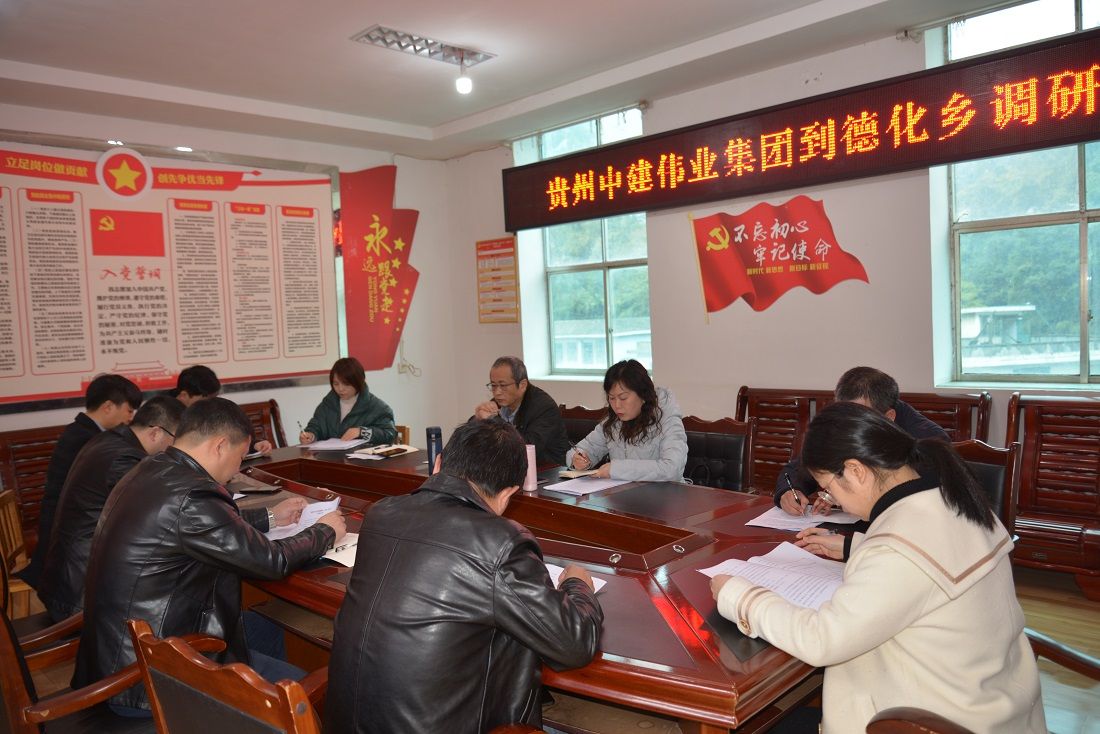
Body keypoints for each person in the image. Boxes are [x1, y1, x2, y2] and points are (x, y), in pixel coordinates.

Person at [712, 402, 1045, 733]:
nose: (833, 500)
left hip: (927, 723)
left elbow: (821, 640)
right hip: (996, 708)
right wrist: (851, 546)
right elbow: (930, 566)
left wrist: (738, 595)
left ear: (856, 471)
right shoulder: (955, 500)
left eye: (828, 488)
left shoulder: (895, 548)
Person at [325, 420, 603, 734]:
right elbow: (574, 644)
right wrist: (577, 584)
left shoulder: (380, 513)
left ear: (438, 464)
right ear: (508, 493)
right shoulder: (499, 543)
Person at [73, 397, 345, 714]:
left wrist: (272, 517)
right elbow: (272, 561)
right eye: (240, 457)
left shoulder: (153, 468)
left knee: (265, 625)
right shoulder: (193, 494)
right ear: (219, 446)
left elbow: (205, 527)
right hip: (152, 679)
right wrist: (324, 531)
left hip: (119, 654)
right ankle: (269, 714)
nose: (237, 469)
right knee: (309, 690)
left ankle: (261, 710)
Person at [38, 395, 184, 623]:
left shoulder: (109, 440)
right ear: (156, 433)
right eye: (176, 441)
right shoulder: (124, 458)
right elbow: (163, 512)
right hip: (81, 595)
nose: (177, 449)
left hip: (69, 578)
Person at [19, 373, 142, 589]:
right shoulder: (89, 439)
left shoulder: (81, 431)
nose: (131, 418)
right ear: (108, 407)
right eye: (129, 410)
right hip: (65, 538)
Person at [774, 366, 949, 516]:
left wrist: (847, 493)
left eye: (857, 416)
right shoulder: (846, 420)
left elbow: (916, 502)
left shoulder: (927, 441)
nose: (848, 424)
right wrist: (790, 490)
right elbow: (802, 466)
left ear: (888, 417)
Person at [566, 359, 687, 482]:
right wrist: (577, 460)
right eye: (611, 398)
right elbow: (581, 449)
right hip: (625, 491)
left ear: (643, 395)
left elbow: (672, 469)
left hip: (666, 492)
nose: (617, 405)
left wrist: (616, 469)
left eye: (623, 398)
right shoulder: (613, 422)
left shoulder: (667, 419)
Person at [472, 356, 572, 466]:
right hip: (510, 468)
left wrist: (493, 420)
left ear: (522, 385)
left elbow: (525, 448)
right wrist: (478, 418)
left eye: (503, 385)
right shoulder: (500, 402)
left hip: (548, 470)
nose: (497, 392)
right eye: (493, 385)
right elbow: (469, 439)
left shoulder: (544, 407)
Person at [170, 364, 274, 454]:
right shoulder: (167, 416)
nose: (211, 404)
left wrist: (255, 446)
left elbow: (230, 438)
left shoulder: (212, 410)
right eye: (205, 400)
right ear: (184, 395)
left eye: (215, 397)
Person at [299, 357, 397, 445]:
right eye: (336, 384)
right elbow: (316, 426)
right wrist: (311, 435)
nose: (340, 389)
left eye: (346, 384)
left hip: (361, 459)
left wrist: (362, 432)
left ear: (359, 382)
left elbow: (390, 435)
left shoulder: (378, 407)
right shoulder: (328, 403)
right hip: (330, 458)